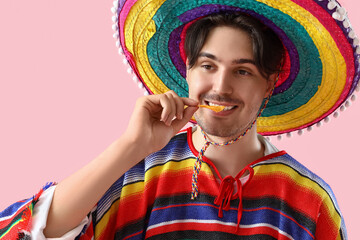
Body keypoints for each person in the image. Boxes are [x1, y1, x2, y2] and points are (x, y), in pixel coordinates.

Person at [1, 0, 357, 239]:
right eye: (207, 65)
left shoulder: (310, 201)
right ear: (186, 71)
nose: (221, 86)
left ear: (270, 83)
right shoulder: (136, 177)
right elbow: (22, 233)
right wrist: (131, 146)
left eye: (243, 71)